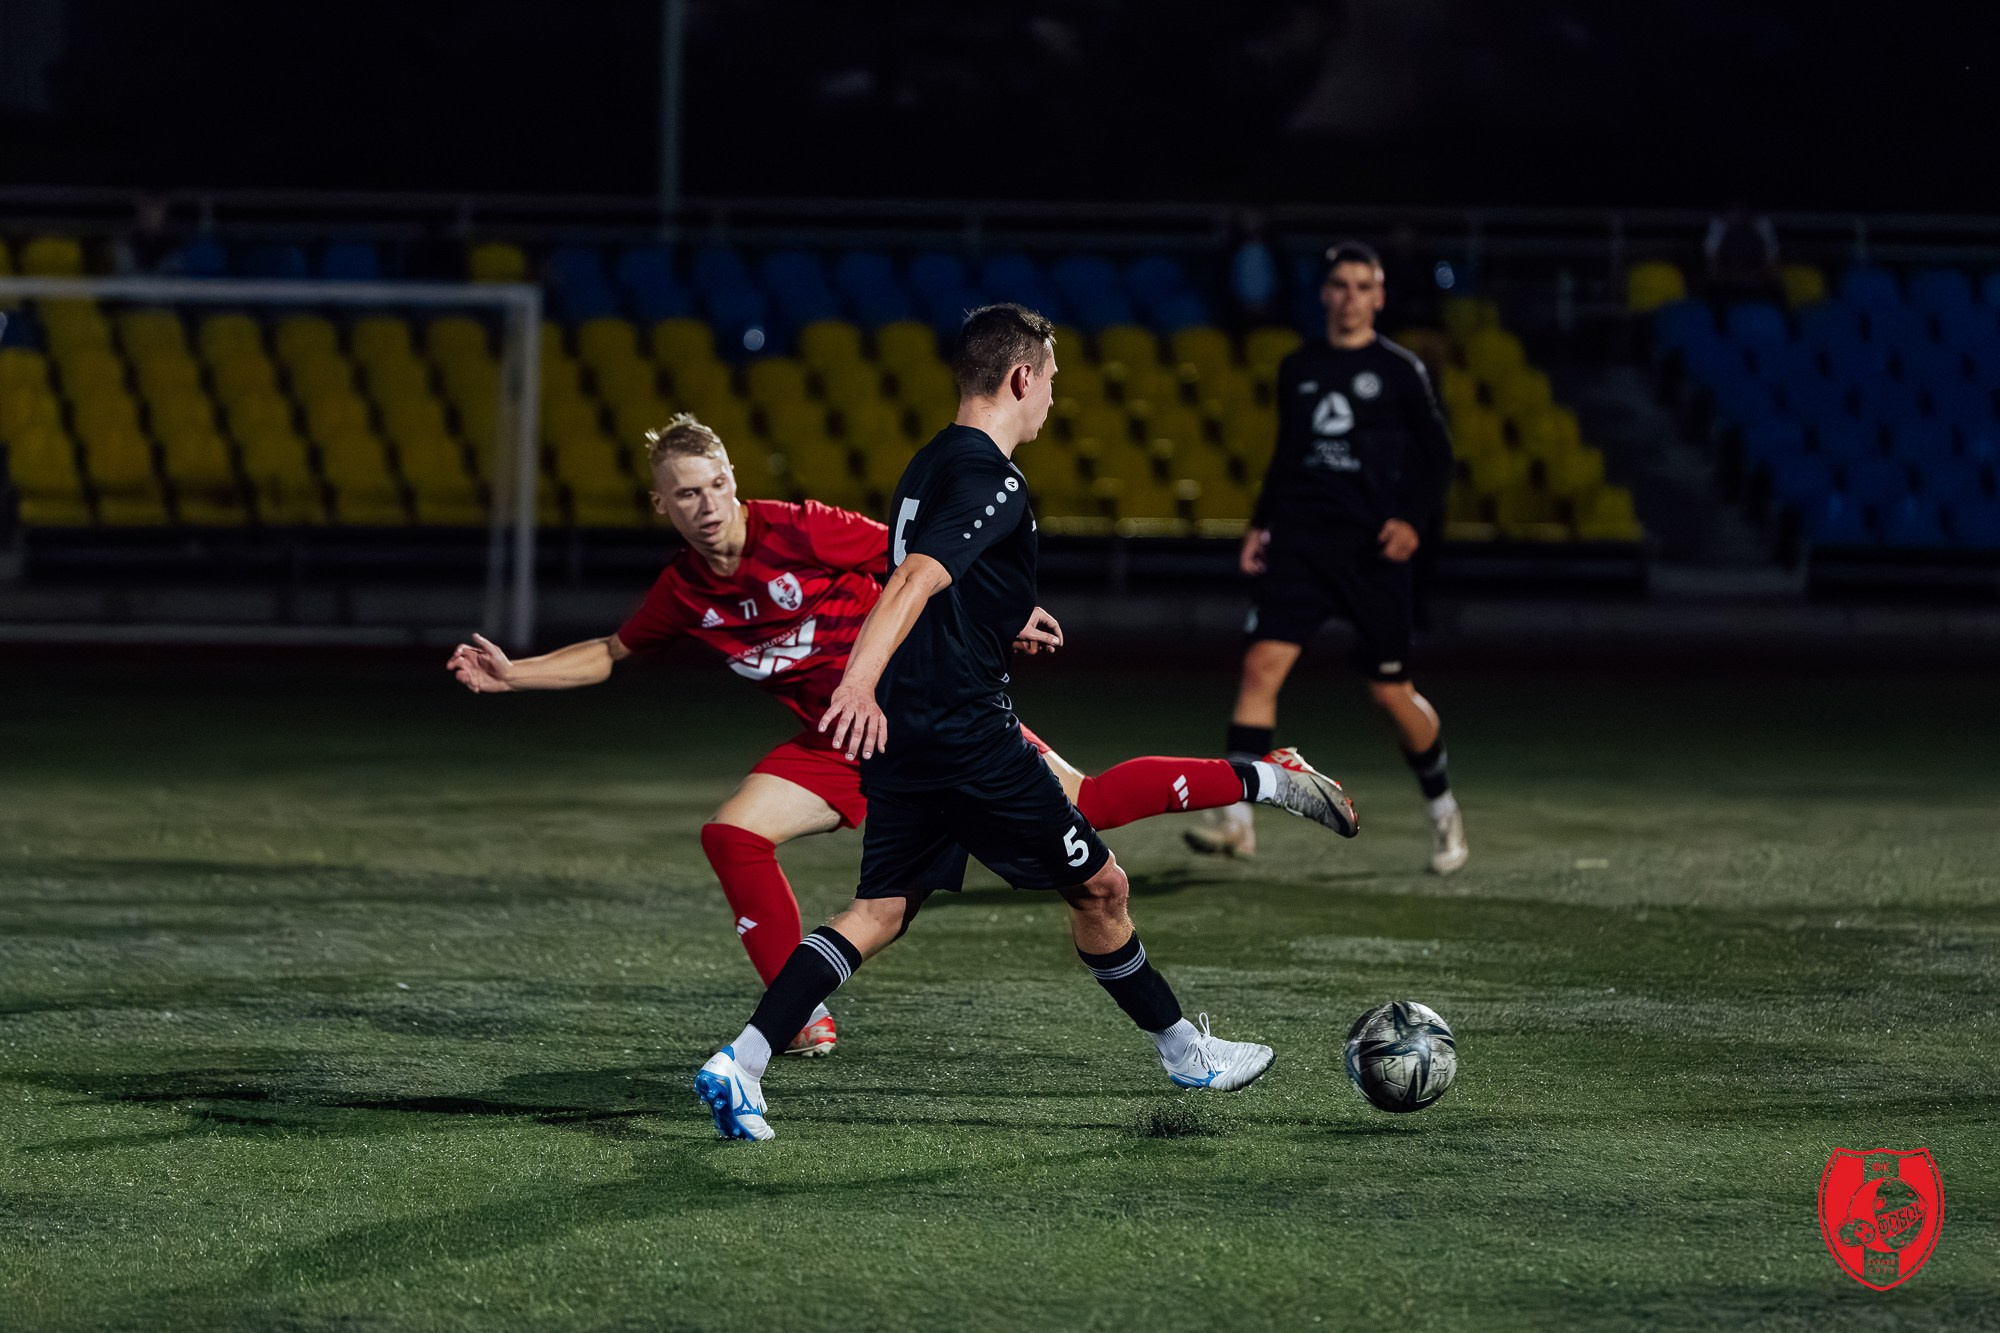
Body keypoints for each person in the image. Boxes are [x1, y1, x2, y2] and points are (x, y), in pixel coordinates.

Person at [449, 410, 1354, 1062]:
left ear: (733, 478)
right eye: (687, 494)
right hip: (837, 744)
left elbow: (923, 556)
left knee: (1089, 804)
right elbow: (612, 650)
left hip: (923, 713)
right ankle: (799, 1021)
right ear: (663, 507)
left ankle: (1263, 773)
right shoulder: (684, 592)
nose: (710, 503)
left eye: (718, 483)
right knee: (732, 832)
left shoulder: (799, 529)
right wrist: (515, 671)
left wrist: (1010, 611)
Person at [693, 305, 1356, 1141]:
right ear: (1020, 377)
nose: (1051, 399)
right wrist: (854, 684)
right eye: (1050, 381)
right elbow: (912, 584)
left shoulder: (929, 462)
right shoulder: (990, 476)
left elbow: (936, 583)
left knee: (880, 910)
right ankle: (1186, 1050)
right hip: (968, 736)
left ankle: (743, 1059)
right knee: (1103, 884)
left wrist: (998, 617)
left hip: (911, 733)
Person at [1185, 242, 1465, 874]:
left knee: (1391, 692)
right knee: (1260, 670)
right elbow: (1289, 455)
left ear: (1380, 296)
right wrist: (1261, 524)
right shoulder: (1299, 366)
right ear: (1325, 292)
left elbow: (1439, 457)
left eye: (1364, 286)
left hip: (1371, 553)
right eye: (1340, 284)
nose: (1350, 297)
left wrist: (1411, 523)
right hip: (1301, 548)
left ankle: (1443, 809)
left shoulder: (1400, 370)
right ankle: (1237, 821)